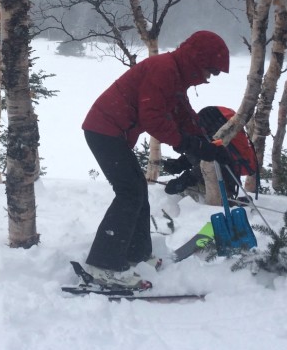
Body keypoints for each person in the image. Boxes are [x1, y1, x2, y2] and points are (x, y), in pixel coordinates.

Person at [81, 31, 229, 288]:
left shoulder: (174, 74)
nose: (209, 78)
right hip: (103, 129)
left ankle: (135, 254)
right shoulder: (164, 70)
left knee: (137, 190)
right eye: (211, 71)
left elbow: (181, 112)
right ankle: (103, 265)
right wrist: (186, 143)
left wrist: (204, 142)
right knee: (130, 192)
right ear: (197, 60)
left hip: (113, 131)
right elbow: (152, 118)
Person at [162, 105, 259, 199]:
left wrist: (187, 180)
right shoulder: (201, 128)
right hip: (211, 181)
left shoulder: (215, 137)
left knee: (183, 198)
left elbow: (214, 159)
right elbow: (201, 151)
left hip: (219, 188)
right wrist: (180, 164)